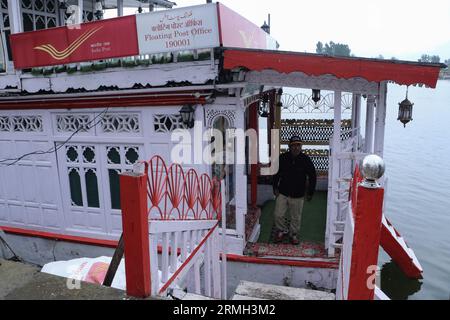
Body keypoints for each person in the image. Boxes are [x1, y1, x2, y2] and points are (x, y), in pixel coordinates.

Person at [272, 135, 317, 245]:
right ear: (289, 146)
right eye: (293, 145)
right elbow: (276, 173)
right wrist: (274, 187)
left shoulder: (305, 159)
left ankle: (293, 234)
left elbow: (312, 176)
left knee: (295, 217)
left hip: (298, 194)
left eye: (298, 145)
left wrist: (310, 192)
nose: (296, 147)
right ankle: (281, 231)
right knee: (278, 214)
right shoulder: (282, 158)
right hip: (283, 192)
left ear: (301, 146)